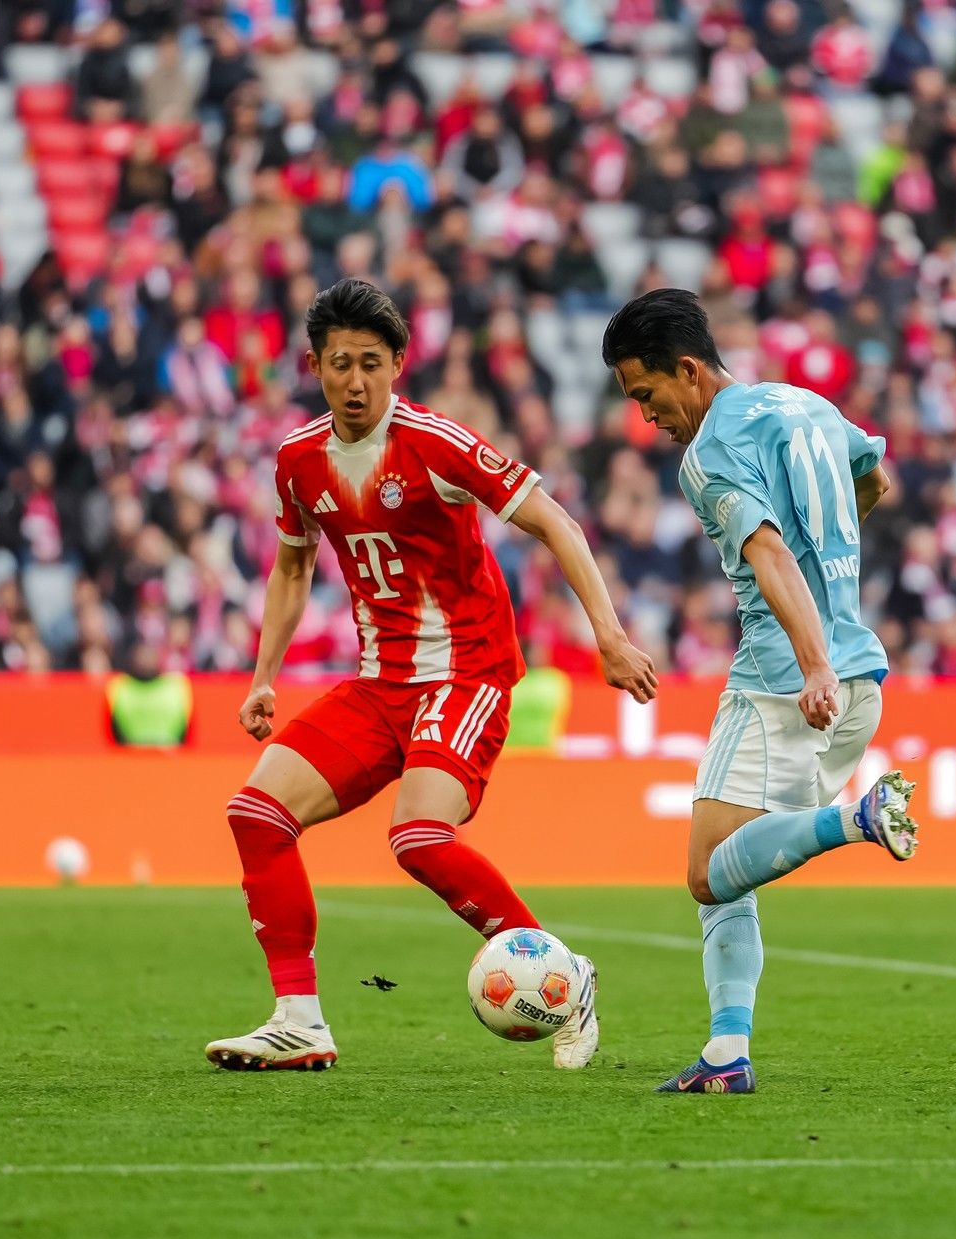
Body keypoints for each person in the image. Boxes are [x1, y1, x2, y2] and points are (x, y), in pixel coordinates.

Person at [205, 280, 658, 1073]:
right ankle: (299, 1020)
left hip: (466, 672)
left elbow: (555, 520)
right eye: (340, 363)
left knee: (417, 837)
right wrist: (262, 676)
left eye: (370, 363)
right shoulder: (298, 460)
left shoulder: (435, 442)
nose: (355, 381)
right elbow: (292, 566)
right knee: (257, 814)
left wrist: (610, 637)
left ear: (397, 365)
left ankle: (566, 973)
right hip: (380, 683)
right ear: (314, 366)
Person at [601, 289, 917, 1096]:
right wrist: (831, 586)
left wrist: (811, 662)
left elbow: (768, 552)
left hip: (786, 681)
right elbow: (874, 480)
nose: (647, 417)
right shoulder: (808, 404)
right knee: (730, 868)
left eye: (646, 394)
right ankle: (725, 1052)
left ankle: (856, 818)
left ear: (688, 369)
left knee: (708, 872)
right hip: (860, 677)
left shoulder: (709, 451)